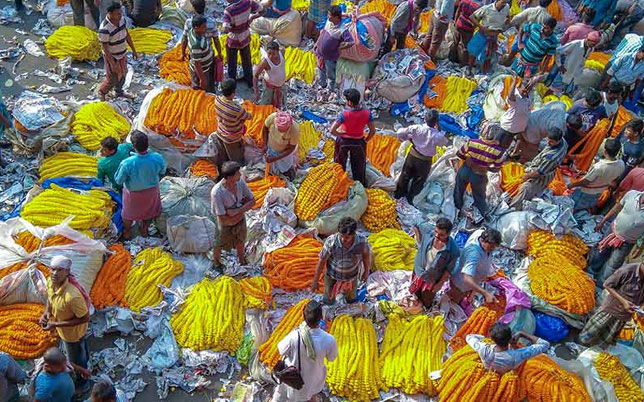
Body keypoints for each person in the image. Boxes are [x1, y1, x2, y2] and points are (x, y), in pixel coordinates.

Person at [40, 256, 90, 398]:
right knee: (81, 351)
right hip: (64, 331)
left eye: (60, 270)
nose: (55, 273)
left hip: (72, 335)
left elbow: (85, 318)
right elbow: (50, 299)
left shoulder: (72, 296)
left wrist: (55, 324)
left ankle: (82, 385)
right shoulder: (50, 282)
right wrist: (46, 313)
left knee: (76, 359)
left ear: (67, 272)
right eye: (53, 269)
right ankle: (86, 361)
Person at [271, 300, 338, 402]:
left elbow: (281, 350)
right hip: (315, 379)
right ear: (321, 318)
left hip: (295, 379)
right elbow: (332, 358)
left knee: (293, 396)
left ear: (303, 317)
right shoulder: (329, 339)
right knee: (309, 395)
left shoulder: (295, 335)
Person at [114, 131, 166, 239]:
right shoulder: (157, 157)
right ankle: (144, 228)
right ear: (147, 144)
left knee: (128, 214)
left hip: (133, 195)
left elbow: (118, 180)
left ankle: (127, 231)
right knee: (150, 211)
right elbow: (162, 171)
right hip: (152, 191)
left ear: (133, 146)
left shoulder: (127, 163)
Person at [580, 262, 644, 346]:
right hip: (610, 310)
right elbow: (607, 284)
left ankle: (594, 351)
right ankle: (577, 348)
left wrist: (640, 308)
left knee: (605, 340)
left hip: (624, 316)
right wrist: (623, 301)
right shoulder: (628, 270)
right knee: (589, 334)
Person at [311, 217, 371, 305]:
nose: (343, 239)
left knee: (351, 299)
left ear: (354, 234)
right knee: (328, 299)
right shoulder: (331, 242)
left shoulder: (361, 242)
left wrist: (366, 271)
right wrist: (315, 281)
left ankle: (350, 304)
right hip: (332, 276)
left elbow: (366, 256)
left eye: (347, 237)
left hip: (352, 277)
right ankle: (329, 305)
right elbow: (322, 261)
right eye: (341, 235)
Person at [394, 109, 448, 203]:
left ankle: (399, 194)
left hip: (412, 156)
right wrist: (438, 128)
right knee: (418, 181)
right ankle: (410, 198)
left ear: (425, 118)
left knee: (405, 175)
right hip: (425, 161)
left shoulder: (416, 128)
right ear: (436, 122)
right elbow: (444, 143)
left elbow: (399, 133)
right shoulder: (437, 136)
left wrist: (406, 139)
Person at [592, 190, 644, 286]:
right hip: (612, 231)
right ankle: (591, 272)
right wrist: (603, 220)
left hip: (627, 242)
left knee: (613, 264)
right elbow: (617, 207)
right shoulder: (631, 194)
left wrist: (640, 248)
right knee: (600, 252)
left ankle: (600, 284)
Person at [210, 161, 255, 270]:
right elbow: (223, 219)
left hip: (238, 217)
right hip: (224, 223)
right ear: (229, 177)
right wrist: (240, 213)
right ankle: (216, 262)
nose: (240, 175)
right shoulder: (217, 193)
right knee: (219, 243)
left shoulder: (240, 182)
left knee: (241, 239)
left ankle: (241, 259)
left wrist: (236, 211)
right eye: (237, 173)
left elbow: (252, 201)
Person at [509, 128, 567, 210]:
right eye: (548, 140)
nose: (548, 143)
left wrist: (527, 176)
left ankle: (513, 208)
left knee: (526, 189)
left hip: (542, 177)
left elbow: (539, 173)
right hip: (541, 167)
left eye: (551, 142)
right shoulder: (563, 141)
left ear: (557, 141)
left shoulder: (551, 157)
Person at [454, 127, 505, 217]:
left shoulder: (472, 142)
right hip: (479, 175)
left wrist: (469, 160)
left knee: (459, 189)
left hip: (465, 170)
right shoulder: (498, 151)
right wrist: (485, 167)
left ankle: (457, 209)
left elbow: (459, 154)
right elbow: (497, 168)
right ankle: (481, 215)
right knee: (479, 197)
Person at [410, 217, 460, 308]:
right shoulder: (428, 230)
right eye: (436, 231)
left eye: (441, 235)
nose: (436, 236)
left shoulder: (453, 250)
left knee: (427, 298)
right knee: (415, 291)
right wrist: (419, 241)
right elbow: (415, 221)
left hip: (432, 278)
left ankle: (426, 308)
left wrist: (439, 284)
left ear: (448, 234)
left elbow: (448, 270)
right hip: (418, 270)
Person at [330, 88, 375, 186]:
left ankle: (339, 182)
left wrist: (340, 134)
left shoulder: (344, 114)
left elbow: (332, 130)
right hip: (359, 141)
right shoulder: (367, 113)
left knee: (339, 164)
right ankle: (359, 184)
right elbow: (372, 131)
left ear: (349, 102)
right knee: (359, 165)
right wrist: (366, 140)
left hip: (344, 142)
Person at [568, 138, 625, 212]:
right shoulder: (621, 164)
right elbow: (615, 179)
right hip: (599, 192)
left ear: (604, 151)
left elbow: (586, 181)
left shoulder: (599, 167)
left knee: (573, 207)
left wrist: (572, 185)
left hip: (586, 192)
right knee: (585, 208)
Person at [467, 323, 550, 373]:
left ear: (492, 339)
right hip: (508, 374)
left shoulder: (483, 348)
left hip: (488, 371)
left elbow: (469, 337)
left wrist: (482, 337)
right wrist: (522, 334)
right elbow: (545, 344)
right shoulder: (519, 355)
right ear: (510, 337)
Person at [449, 228, 502, 305]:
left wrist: (474, 290)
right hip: (460, 285)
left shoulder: (482, 238)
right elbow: (467, 278)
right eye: (491, 248)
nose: (492, 250)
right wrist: (485, 293)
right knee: (452, 302)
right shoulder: (473, 254)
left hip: (470, 285)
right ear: (483, 241)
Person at [97, 3, 138, 101]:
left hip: (122, 53)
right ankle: (102, 92)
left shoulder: (122, 20)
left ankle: (118, 92)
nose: (120, 16)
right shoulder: (104, 29)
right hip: (112, 56)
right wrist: (112, 63)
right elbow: (105, 48)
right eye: (117, 14)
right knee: (112, 78)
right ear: (110, 14)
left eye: (120, 13)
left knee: (123, 74)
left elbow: (126, 34)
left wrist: (134, 50)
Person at [222, 0, 262, 88]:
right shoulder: (248, 2)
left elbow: (225, 28)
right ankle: (249, 81)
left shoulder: (228, 11)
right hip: (245, 36)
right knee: (247, 60)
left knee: (232, 63)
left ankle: (232, 84)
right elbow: (262, 10)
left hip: (233, 39)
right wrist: (251, 18)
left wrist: (233, 28)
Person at [214, 78, 252, 168]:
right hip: (232, 138)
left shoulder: (217, 100)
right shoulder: (237, 109)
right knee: (236, 159)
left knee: (223, 155)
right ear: (234, 91)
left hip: (220, 132)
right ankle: (234, 171)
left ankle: (222, 167)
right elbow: (249, 117)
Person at [315, 6, 354, 93]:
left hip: (330, 57)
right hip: (320, 53)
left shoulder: (342, 29)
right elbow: (322, 32)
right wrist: (317, 43)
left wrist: (340, 47)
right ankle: (322, 84)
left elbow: (351, 42)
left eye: (330, 15)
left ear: (336, 17)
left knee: (331, 74)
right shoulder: (329, 22)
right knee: (321, 69)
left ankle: (330, 89)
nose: (328, 17)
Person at [551, 30, 600, 95]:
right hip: (565, 71)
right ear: (588, 39)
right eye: (593, 44)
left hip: (575, 76)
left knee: (566, 95)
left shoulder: (591, 48)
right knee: (554, 91)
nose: (594, 46)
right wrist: (559, 65)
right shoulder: (576, 44)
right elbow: (558, 51)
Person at [467, 0, 509, 74]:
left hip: (493, 36)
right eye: (503, 2)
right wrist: (480, 26)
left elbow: (508, 16)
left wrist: (505, 24)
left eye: (506, 2)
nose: (504, 4)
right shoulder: (487, 9)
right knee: (473, 52)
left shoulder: (506, 7)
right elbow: (472, 17)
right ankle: (469, 69)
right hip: (482, 35)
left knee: (488, 55)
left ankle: (484, 74)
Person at [498, 73, 536, 149]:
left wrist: (534, 80)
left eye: (528, 90)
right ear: (519, 87)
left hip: (517, 129)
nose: (526, 92)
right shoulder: (516, 97)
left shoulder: (527, 97)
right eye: (524, 89)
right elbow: (510, 95)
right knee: (498, 146)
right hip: (508, 128)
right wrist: (514, 81)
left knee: (506, 146)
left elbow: (538, 79)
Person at [183, 16, 220, 93]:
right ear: (196, 27)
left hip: (205, 67)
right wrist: (202, 80)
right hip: (202, 71)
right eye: (203, 27)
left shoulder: (193, 31)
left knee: (208, 85)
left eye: (205, 26)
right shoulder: (196, 45)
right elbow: (197, 64)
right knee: (200, 89)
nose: (206, 28)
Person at [262, 111, 300, 178]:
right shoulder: (272, 117)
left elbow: (291, 148)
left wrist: (277, 157)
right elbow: (265, 128)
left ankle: (288, 173)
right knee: (270, 165)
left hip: (285, 151)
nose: (281, 133)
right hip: (271, 144)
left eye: (283, 131)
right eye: (279, 130)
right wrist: (264, 144)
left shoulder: (295, 130)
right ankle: (271, 173)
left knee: (285, 166)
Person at [254, 41, 287, 107]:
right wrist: (256, 92)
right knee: (265, 106)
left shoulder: (282, 52)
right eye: (269, 53)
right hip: (269, 88)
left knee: (280, 104)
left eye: (274, 53)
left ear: (278, 51)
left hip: (281, 85)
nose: (271, 56)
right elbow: (255, 76)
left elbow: (283, 48)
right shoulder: (265, 62)